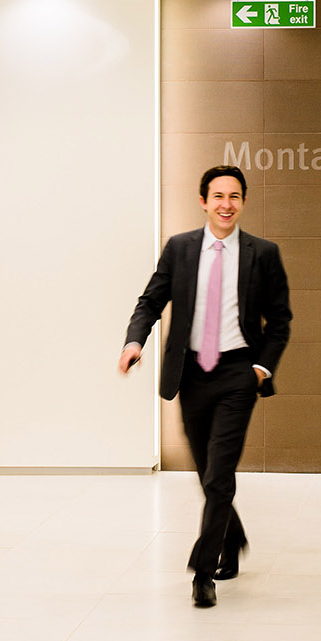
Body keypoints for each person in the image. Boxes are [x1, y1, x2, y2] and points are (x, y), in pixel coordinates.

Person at [119, 165, 292, 608]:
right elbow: (151, 300)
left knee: (219, 472)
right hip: (192, 373)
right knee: (208, 472)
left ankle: (203, 571)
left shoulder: (263, 253)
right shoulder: (180, 249)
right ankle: (232, 538)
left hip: (238, 372)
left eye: (234, 196)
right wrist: (134, 341)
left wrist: (260, 368)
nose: (226, 204)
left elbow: (281, 320)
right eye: (218, 196)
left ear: (244, 202)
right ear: (203, 202)